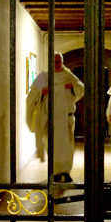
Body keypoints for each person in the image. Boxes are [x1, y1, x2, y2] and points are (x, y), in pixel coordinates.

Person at [26, 52, 84, 182]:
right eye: (54, 62)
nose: (57, 65)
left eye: (59, 62)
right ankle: (56, 172)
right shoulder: (43, 77)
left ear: (62, 62)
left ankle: (66, 171)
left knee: (67, 146)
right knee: (52, 146)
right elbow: (31, 97)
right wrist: (42, 93)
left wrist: (72, 87)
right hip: (50, 119)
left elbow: (81, 88)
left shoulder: (68, 76)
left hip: (66, 118)